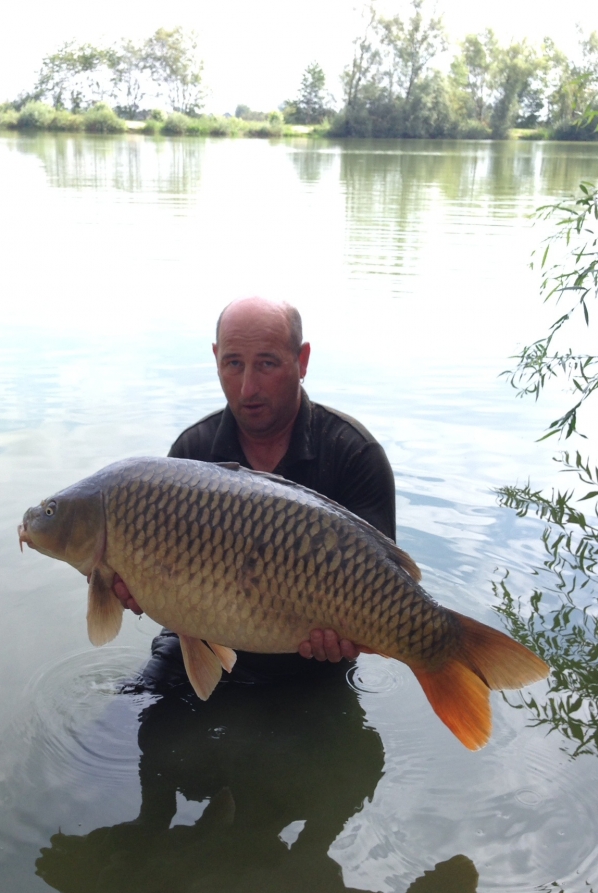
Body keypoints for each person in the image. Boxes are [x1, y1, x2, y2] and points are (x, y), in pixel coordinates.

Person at [116, 296, 396, 691]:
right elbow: (166, 588)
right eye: (233, 363)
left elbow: (383, 591)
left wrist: (353, 637)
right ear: (215, 358)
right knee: (116, 735)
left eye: (266, 363)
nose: (248, 387)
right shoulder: (189, 458)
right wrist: (141, 588)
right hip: (195, 648)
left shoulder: (354, 455)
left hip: (308, 667)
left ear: (302, 361)